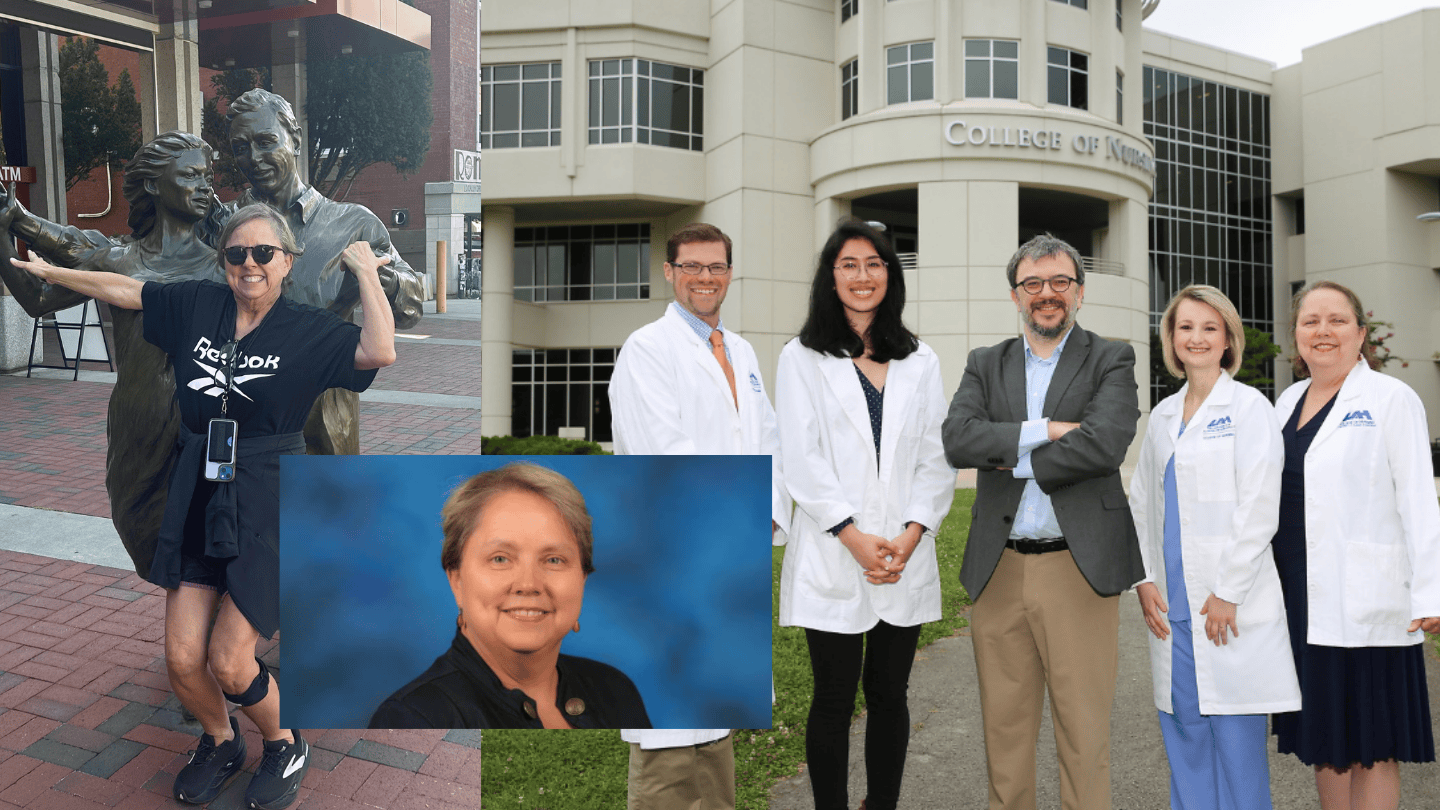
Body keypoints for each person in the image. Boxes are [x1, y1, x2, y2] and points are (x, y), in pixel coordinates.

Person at [9, 202, 396, 809]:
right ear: (223, 263)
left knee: (230, 659)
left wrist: (368, 274)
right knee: (184, 658)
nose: (249, 264)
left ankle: (283, 742)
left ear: (287, 262)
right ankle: (221, 741)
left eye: (264, 253)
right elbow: (125, 288)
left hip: (269, 494)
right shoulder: (198, 305)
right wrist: (57, 275)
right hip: (202, 485)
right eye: (237, 254)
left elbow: (378, 352)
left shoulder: (307, 328)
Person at [940, 233, 1144, 810]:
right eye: (1033, 283)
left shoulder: (1112, 357)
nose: (1047, 294)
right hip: (999, 568)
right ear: (1015, 295)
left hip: (1076, 568)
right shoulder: (986, 362)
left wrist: (1006, 451)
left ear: (1079, 292)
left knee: (1083, 735)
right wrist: (1050, 431)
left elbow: (1105, 446)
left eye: (1060, 282)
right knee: (1004, 734)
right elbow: (958, 440)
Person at [609, 222, 790, 810]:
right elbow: (665, 452)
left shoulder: (740, 351)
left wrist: (762, 517)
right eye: (692, 267)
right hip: (674, 558)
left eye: (716, 267)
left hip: (730, 556)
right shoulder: (647, 350)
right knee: (667, 732)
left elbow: (768, 441)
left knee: (716, 725)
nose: (705, 278)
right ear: (670, 272)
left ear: (730, 274)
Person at [775, 220, 955, 810]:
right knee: (832, 697)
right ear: (832, 276)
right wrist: (851, 536)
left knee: (890, 695)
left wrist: (911, 533)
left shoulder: (920, 358)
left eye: (874, 264)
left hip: (903, 552)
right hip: (835, 549)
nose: (862, 276)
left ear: (890, 275)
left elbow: (937, 456)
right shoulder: (802, 357)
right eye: (849, 264)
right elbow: (801, 460)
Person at [0, 132, 226, 577]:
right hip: (136, 425)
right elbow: (38, 298)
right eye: (191, 176)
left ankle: (219, 645)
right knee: (145, 536)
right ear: (154, 186)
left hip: (207, 424)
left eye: (208, 176)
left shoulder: (224, 266)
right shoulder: (120, 262)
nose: (205, 187)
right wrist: (5, 237)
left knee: (210, 542)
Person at [1270, 280, 1439, 810]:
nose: (1323, 331)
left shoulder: (1391, 400)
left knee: (1373, 745)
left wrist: (1432, 592)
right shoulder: (1287, 401)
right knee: (1326, 742)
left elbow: (1420, 501)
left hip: (1367, 599)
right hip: (1301, 597)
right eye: (1310, 321)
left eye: (1337, 320)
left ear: (1361, 333)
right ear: (1295, 335)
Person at [1129, 285, 1299, 810]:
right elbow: (1141, 502)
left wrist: (1228, 591)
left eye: (1209, 328)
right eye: (1185, 327)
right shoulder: (1160, 416)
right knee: (1185, 740)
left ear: (1228, 339)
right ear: (1171, 339)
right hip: (1172, 607)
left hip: (1227, 605)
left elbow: (1259, 508)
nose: (1196, 338)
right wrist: (1144, 579)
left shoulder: (1249, 408)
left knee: (1237, 748)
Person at [368, 462, 650, 729]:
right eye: (500, 559)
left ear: (582, 579)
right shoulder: (413, 718)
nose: (528, 584)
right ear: (457, 580)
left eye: (554, 560)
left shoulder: (615, 692)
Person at [224, 88, 425, 455]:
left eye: (266, 142)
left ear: (295, 139)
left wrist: (383, 279)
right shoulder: (226, 225)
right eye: (241, 148)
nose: (254, 158)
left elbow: (411, 306)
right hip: (243, 419)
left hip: (322, 424)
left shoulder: (353, 224)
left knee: (322, 512)